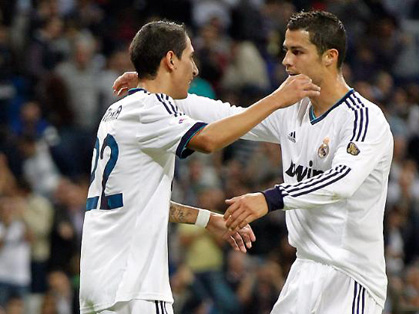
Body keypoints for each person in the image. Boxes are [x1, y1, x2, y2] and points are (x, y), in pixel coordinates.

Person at [114, 11, 393, 314]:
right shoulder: (293, 111)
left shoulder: (363, 119)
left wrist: (268, 199)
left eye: (297, 52)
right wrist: (155, 89)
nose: (286, 61)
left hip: (350, 276)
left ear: (330, 56)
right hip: (305, 271)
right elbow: (228, 115)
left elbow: (342, 181)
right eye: (285, 50)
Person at [80, 20, 320, 314]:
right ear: (170, 60)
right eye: (189, 57)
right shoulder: (151, 109)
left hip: (99, 284)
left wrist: (208, 219)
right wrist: (278, 99)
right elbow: (208, 140)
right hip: (134, 286)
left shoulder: (117, 110)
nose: (194, 69)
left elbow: (140, 201)